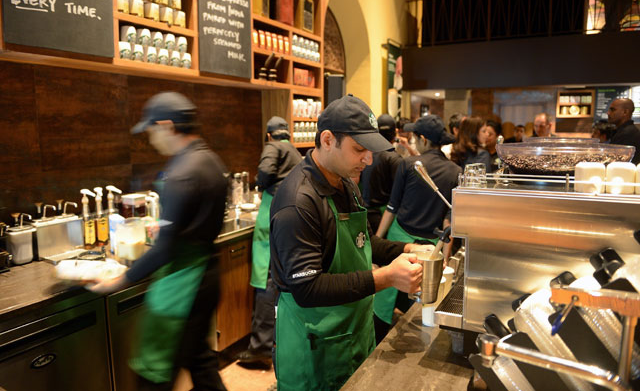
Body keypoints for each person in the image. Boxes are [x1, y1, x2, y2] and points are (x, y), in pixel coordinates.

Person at [270, 95, 427, 391]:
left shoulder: (346, 183)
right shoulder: (298, 202)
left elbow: (364, 243)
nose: (368, 160)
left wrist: (409, 248)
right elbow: (307, 289)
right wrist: (387, 277)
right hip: (314, 343)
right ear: (328, 140)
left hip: (351, 332)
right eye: (359, 149)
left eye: (370, 150)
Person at [88, 92, 228, 390]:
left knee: (153, 374)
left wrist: (119, 279)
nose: (151, 139)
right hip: (208, 276)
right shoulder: (210, 160)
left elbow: (165, 248)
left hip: (183, 285)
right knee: (201, 362)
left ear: (166, 126)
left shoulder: (181, 173)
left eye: (151, 130)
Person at [373, 115, 461, 341]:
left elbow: (391, 208)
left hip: (399, 242)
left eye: (413, 136)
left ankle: (379, 341)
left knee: (383, 302)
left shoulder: (409, 164)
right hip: (430, 248)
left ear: (422, 139)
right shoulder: (455, 171)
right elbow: (448, 221)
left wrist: (376, 243)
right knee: (420, 308)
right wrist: (445, 258)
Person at [237, 116, 302, 367]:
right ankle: (275, 342)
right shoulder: (295, 151)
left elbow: (264, 173)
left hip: (270, 217)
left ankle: (260, 346)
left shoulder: (272, 147)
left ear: (269, 135)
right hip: (289, 216)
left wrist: (259, 183)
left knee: (266, 280)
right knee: (280, 281)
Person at [360, 114, 403, 232]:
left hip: (364, 212)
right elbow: (400, 193)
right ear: (395, 132)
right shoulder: (394, 159)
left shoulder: (366, 154)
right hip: (384, 216)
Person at [608, 98, 640, 164]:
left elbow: (615, 163)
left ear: (625, 112)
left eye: (613, 110)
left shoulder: (627, 134)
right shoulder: (627, 131)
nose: (608, 113)